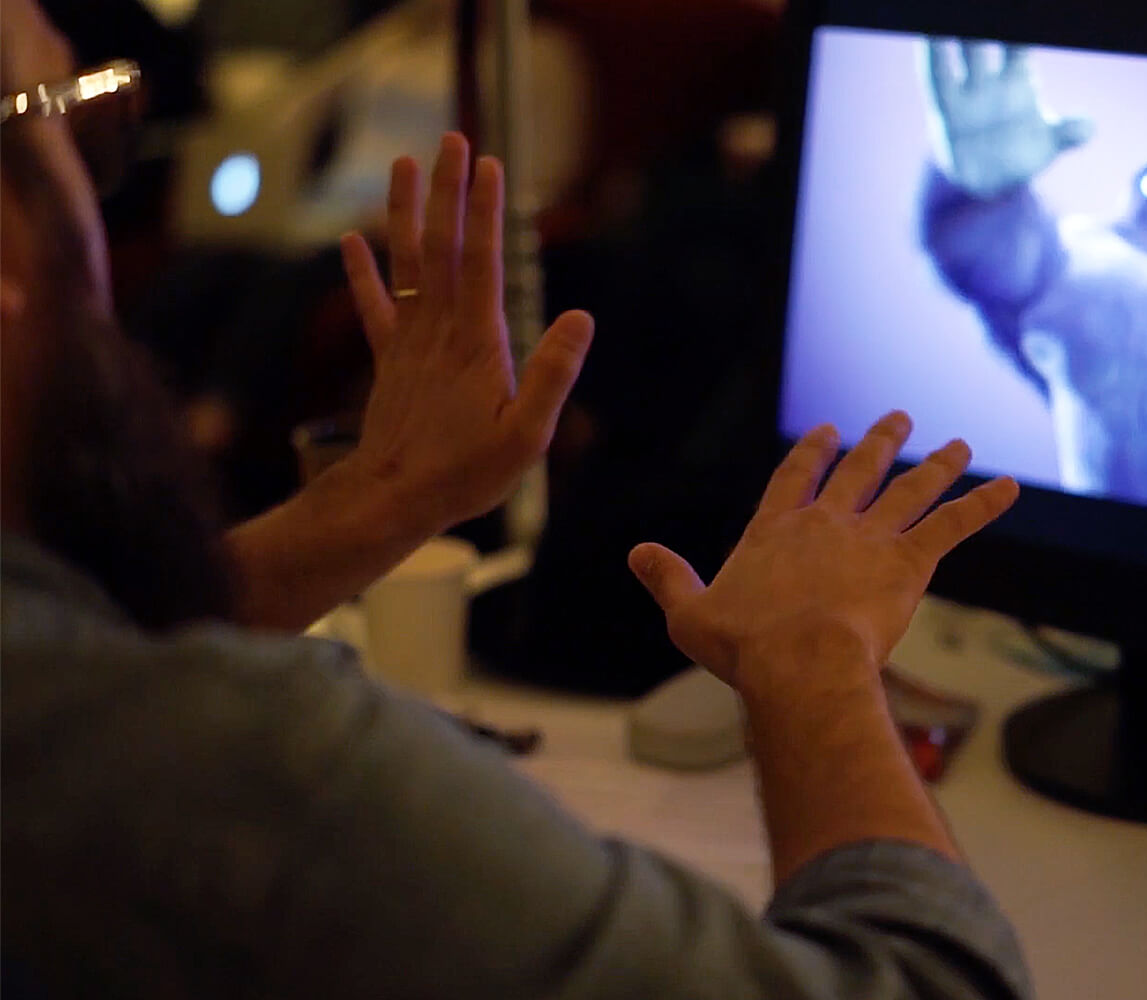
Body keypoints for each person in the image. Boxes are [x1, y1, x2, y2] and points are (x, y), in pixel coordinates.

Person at [0, 2, 1030, 996]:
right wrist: (813, 658)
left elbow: (76, 651)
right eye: (84, 122)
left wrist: (371, 505)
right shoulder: (264, 777)